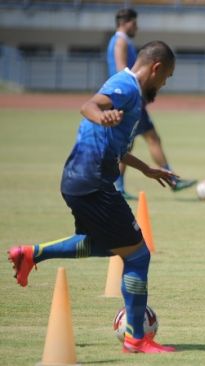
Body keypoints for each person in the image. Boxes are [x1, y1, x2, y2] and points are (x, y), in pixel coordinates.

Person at [8, 41, 177, 353]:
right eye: (165, 77)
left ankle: (32, 253)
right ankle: (136, 338)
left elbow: (117, 147)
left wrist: (145, 169)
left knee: (102, 243)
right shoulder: (125, 86)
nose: (164, 84)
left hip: (78, 179)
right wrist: (102, 117)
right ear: (156, 68)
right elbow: (88, 106)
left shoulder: (129, 93)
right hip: (92, 179)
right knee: (138, 256)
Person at [108, 8, 196, 200]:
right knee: (147, 139)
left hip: (131, 97)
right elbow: (120, 69)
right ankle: (170, 178)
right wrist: (134, 93)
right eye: (135, 23)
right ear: (126, 22)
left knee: (129, 143)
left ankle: (120, 186)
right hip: (130, 98)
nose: (137, 27)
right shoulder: (120, 41)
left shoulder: (123, 41)